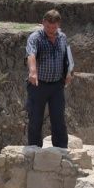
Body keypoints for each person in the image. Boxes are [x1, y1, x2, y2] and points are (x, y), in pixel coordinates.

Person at [25, 9, 74, 148]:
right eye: (48, 27)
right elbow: (31, 54)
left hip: (57, 86)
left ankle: (61, 150)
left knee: (58, 119)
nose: (51, 30)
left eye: (54, 27)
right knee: (35, 119)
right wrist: (33, 72)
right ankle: (34, 150)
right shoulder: (36, 37)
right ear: (43, 23)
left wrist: (69, 72)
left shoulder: (62, 37)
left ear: (58, 25)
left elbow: (67, 55)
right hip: (38, 85)